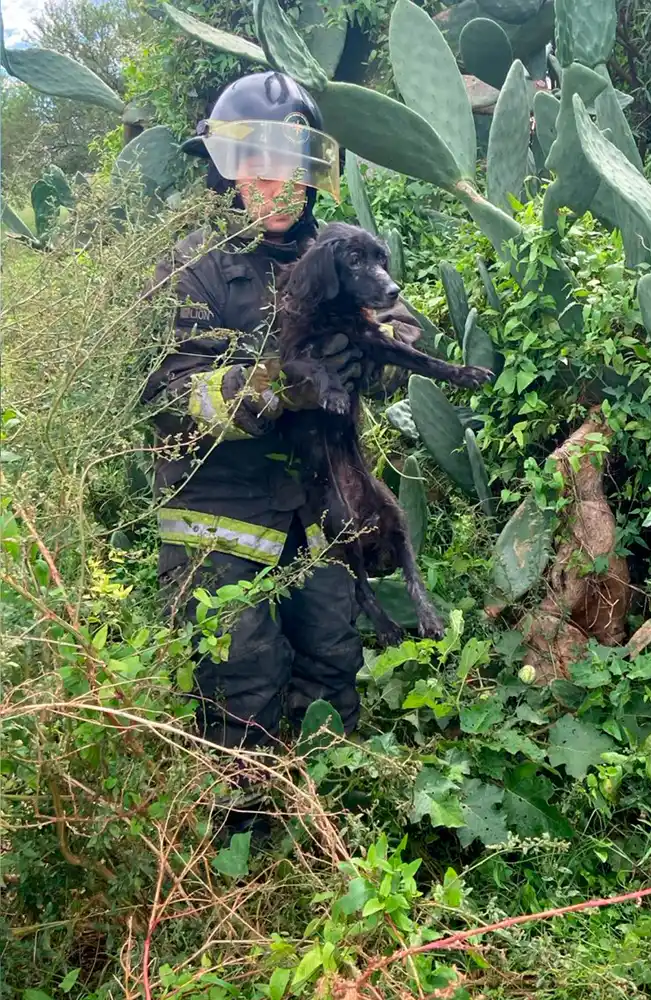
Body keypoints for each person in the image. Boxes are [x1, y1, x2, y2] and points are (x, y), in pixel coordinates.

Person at [141, 71, 424, 837]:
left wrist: (378, 346)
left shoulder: (338, 252)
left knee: (335, 661)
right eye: (255, 165)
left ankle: (333, 831)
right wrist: (266, 388)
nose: (274, 184)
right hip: (219, 520)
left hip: (314, 511)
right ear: (227, 171)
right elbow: (174, 395)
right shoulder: (194, 267)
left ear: (310, 171)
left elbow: (403, 326)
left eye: (288, 164)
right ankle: (244, 861)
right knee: (245, 688)